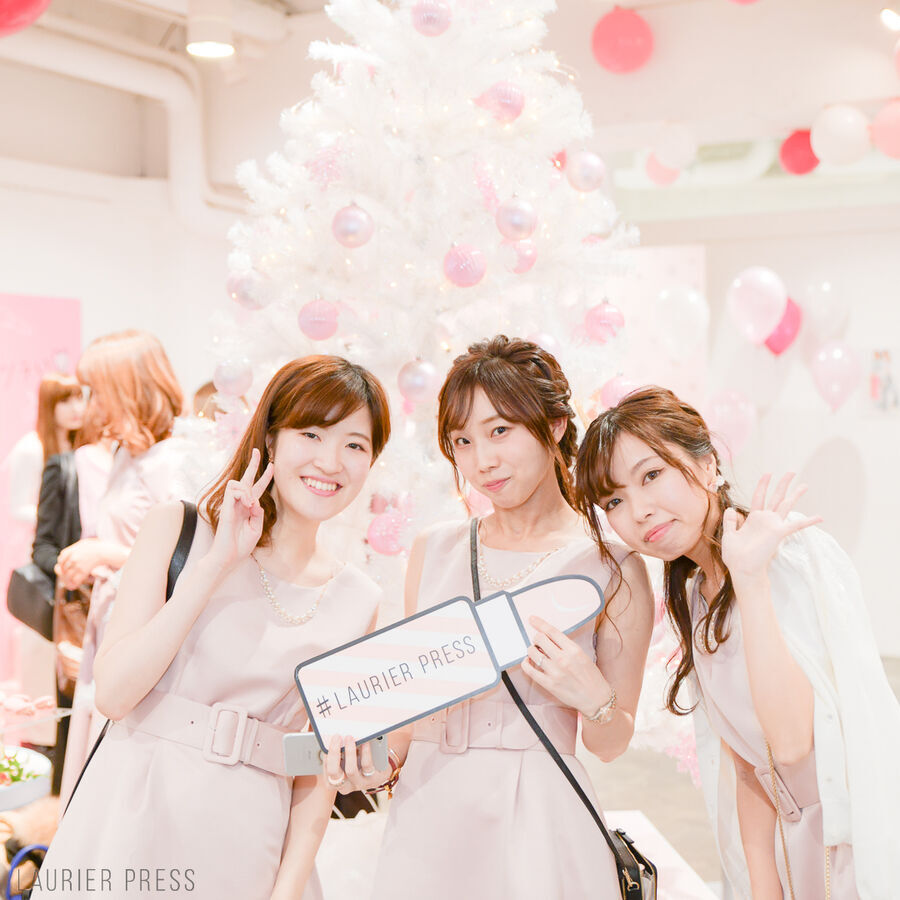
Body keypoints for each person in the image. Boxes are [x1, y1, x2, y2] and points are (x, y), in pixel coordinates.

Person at [32, 355, 392, 899]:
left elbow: (315, 772)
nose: (330, 461)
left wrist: (287, 890)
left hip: (249, 844)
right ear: (271, 439)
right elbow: (115, 694)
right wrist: (215, 565)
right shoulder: (177, 529)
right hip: (132, 816)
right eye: (311, 434)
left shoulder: (358, 601)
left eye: (355, 445)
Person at [333, 336, 654, 899]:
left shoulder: (612, 565)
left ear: (554, 425)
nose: (482, 461)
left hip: (540, 818)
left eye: (500, 430)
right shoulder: (435, 550)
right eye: (463, 440)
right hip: (428, 816)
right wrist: (376, 764)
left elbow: (609, 743)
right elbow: (409, 714)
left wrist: (593, 696)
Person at [574, 385, 900, 900]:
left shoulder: (791, 558)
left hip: (852, 841)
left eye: (651, 475)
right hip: (791, 847)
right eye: (613, 500)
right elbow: (751, 767)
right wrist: (763, 889)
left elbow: (791, 743)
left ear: (707, 464)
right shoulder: (696, 592)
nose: (637, 511)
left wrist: (750, 580)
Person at [57, 330, 189, 806]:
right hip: (109, 617)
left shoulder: (174, 460)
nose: (92, 405)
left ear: (128, 389)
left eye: (99, 391)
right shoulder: (124, 454)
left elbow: (183, 561)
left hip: (143, 629)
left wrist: (102, 554)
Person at [5, 373, 87, 740]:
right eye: (65, 400)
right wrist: (55, 513)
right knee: (40, 649)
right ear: (48, 406)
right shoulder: (32, 447)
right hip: (46, 555)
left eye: (79, 398)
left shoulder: (81, 446)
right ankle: (39, 738)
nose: (75, 408)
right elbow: (16, 506)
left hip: (74, 560)